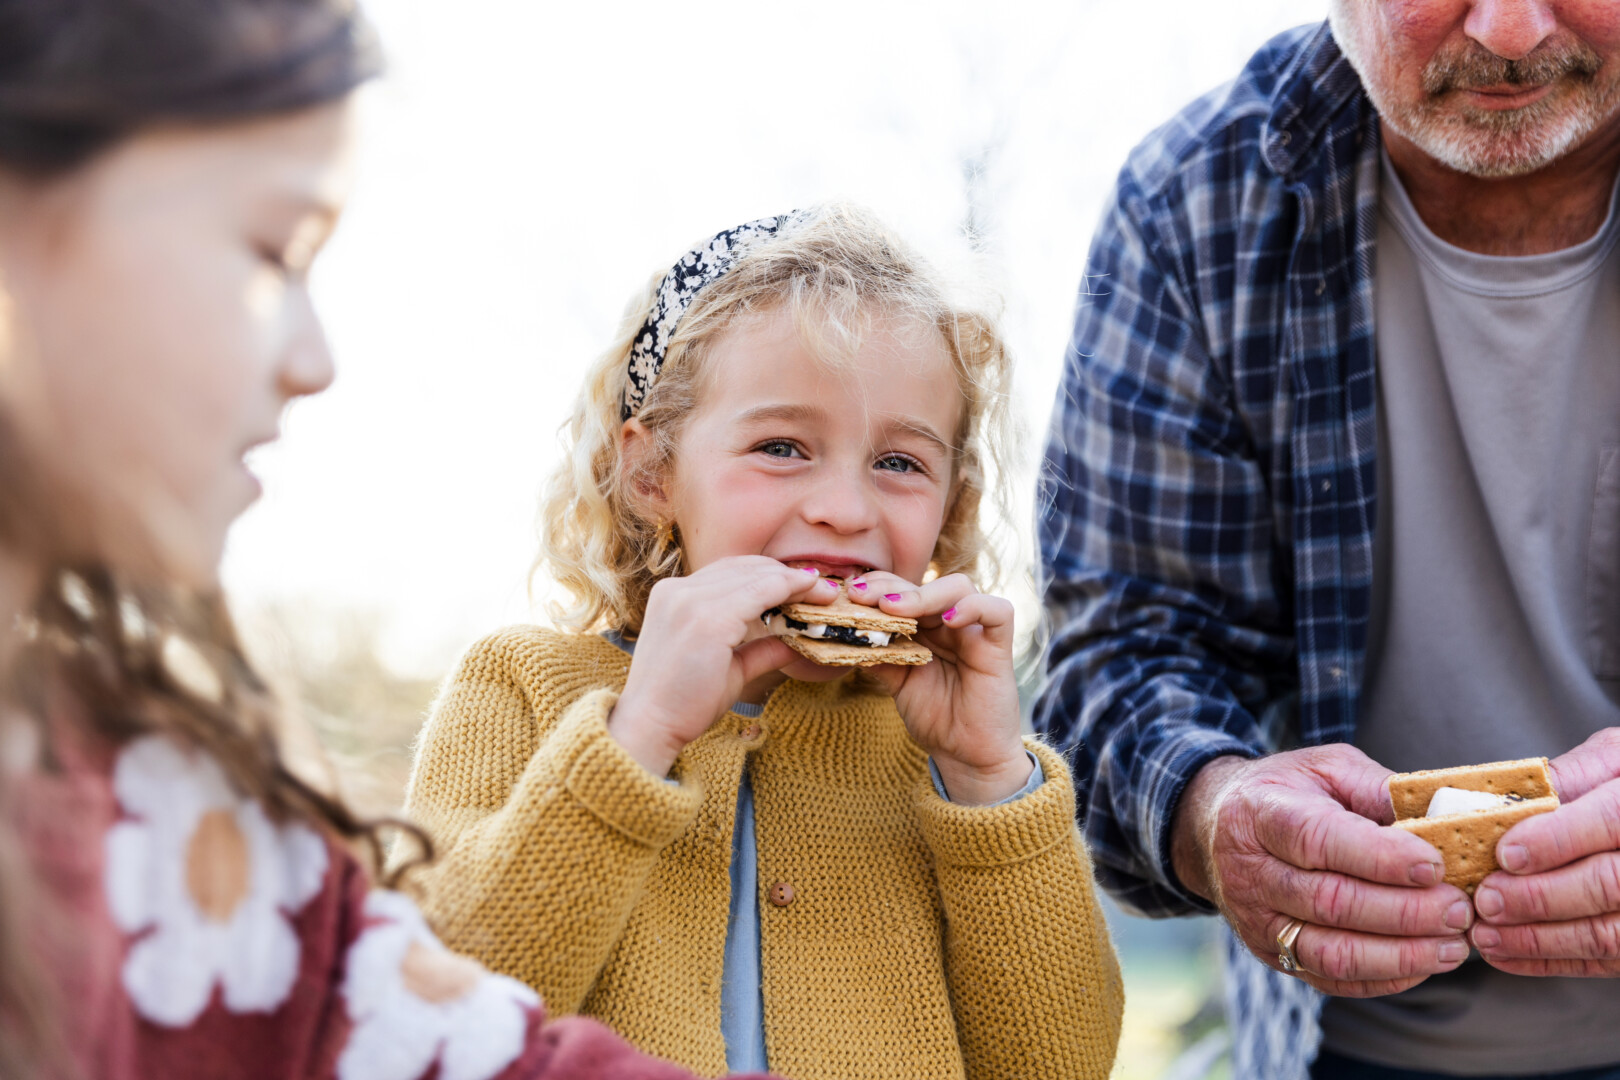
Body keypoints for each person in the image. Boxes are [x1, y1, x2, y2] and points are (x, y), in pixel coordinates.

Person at [0, 2, 782, 1078]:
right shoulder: (515, 682)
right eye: (274, 250)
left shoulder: (195, 812)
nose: (315, 359)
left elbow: (459, 1044)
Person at [396, 205, 1125, 1080]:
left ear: (952, 502)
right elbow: (428, 1027)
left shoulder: (949, 753)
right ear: (651, 472)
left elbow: (1061, 1063)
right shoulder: (519, 686)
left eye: (900, 463)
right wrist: (640, 737)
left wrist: (986, 779)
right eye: (781, 446)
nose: (846, 510)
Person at [1036, 1, 1620, 1078]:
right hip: (1339, 1050)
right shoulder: (1194, 207)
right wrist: (1216, 814)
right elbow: (1116, 654)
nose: (1507, 31)